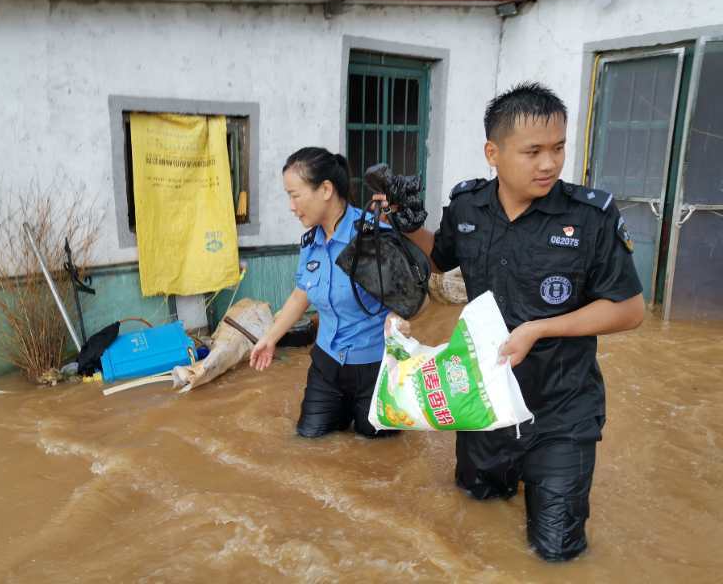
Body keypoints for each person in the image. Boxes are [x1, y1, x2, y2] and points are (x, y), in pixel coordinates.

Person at [380, 82, 644, 561]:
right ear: (493, 152)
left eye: (559, 148)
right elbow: (438, 261)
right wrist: (407, 222)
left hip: (562, 411)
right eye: (533, 151)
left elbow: (629, 310)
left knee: (556, 553)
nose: (550, 163)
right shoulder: (467, 207)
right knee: (476, 517)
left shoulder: (590, 218)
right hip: (485, 402)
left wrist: (540, 328)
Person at [249, 147, 396, 439]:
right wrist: (270, 338)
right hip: (327, 364)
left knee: (378, 453)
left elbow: (413, 297)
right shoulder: (311, 242)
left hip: (375, 369)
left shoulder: (373, 236)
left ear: (326, 189)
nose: (291, 206)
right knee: (309, 441)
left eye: (295, 194)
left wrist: (397, 317)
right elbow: (301, 294)